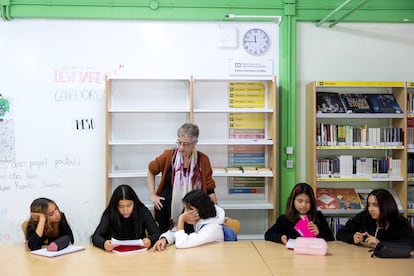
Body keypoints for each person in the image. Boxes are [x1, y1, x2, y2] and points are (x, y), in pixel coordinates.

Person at [148, 122, 217, 232]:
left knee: (189, 242)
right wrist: (152, 194)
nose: (181, 148)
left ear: (195, 143)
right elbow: (151, 170)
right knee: (166, 242)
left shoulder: (203, 160)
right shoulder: (168, 155)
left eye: (185, 144)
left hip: (192, 212)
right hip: (166, 211)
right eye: (179, 143)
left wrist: (216, 215)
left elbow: (209, 189)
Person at [91, 184, 161, 251]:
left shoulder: (142, 211)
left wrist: (150, 241)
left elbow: (157, 233)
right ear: (115, 205)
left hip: (139, 254)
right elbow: (96, 237)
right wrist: (104, 244)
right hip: (114, 255)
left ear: (134, 203)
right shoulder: (111, 212)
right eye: (121, 206)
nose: (125, 210)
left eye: (129, 205)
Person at [336, 188, 413, 248]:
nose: (370, 209)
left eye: (375, 205)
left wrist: (379, 243)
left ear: (386, 206)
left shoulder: (399, 222)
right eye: (369, 205)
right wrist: (353, 238)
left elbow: (408, 244)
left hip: (392, 264)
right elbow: (340, 234)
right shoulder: (364, 216)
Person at [152, 190, 224, 251]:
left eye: (190, 209)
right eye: (185, 208)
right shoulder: (196, 220)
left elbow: (181, 243)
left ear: (202, 209)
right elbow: (176, 232)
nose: (185, 212)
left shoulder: (213, 228)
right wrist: (164, 239)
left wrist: (181, 219)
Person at [264, 183, 335, 244]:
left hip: (314, 254)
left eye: (308, 202)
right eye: (300, 201)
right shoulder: (285, 218)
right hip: (292, 255)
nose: (304, 205)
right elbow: (268, 235)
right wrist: (280, 237)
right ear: (293, 201)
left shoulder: (318, 216)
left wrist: (318, 233)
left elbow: (331, 239)